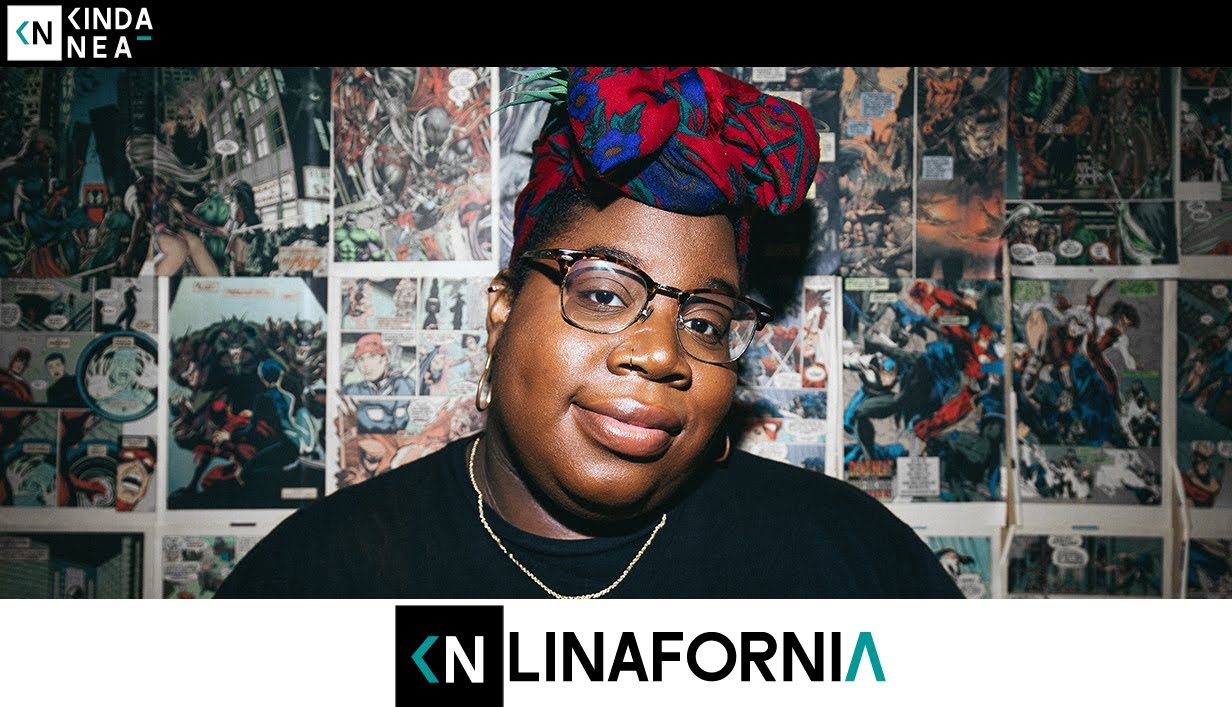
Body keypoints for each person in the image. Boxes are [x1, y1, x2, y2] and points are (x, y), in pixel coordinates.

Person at [218, 67, 962, 599]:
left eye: (705, 322)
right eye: (605, 294)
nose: (662, 353)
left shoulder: (852, 566)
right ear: (502, 316)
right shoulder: (315, 584)